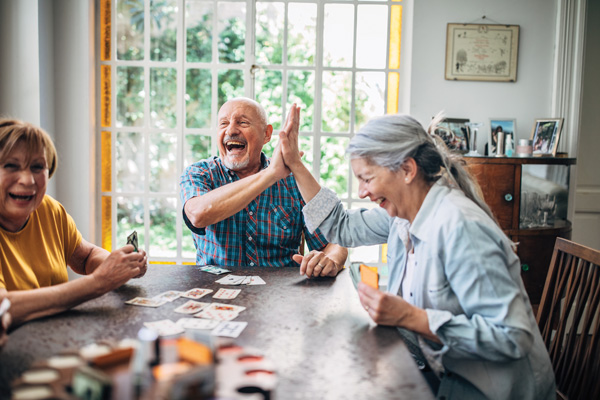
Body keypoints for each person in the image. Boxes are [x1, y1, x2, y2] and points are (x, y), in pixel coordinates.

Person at [275, 105, 555, 399]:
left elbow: (512, 337)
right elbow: (341, 226)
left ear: (407, 170)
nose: (361, 192)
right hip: (443, 371)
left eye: (367, 179)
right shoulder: (402, 215)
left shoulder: (461, 228)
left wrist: (410, 317)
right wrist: (295, 163)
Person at [0, 119, 147, 327]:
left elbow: (86, 257)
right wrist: (99, 282)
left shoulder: (48, 209)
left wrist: (117, 267)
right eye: (11, 166)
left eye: (37, 167)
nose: (28, 180)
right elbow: (4, 308)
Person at [179, 98, 347, 277]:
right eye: (223, 123)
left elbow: (335, 241)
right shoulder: (199, 173)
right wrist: (270, 174)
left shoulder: (294, 181)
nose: (231, 130)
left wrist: (331, 260)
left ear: (266, 134)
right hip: (214, 292)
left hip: (280, 295)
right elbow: (198, 215)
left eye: (242, 122)